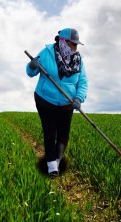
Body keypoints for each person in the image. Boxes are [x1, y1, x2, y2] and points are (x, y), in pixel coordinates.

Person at [26, 28, 88, 176]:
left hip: (67, 102)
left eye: (76, 44)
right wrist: (32, 65)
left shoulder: (78, 59)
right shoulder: (47, 53)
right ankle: (52, 165)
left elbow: (83, 82)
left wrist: (79, 98)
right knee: (49, 132)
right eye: (72, 44)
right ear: (62, 41)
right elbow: (31, 73)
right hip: (45, 99)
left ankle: (58, 160)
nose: (74, 47)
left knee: (63, 134)